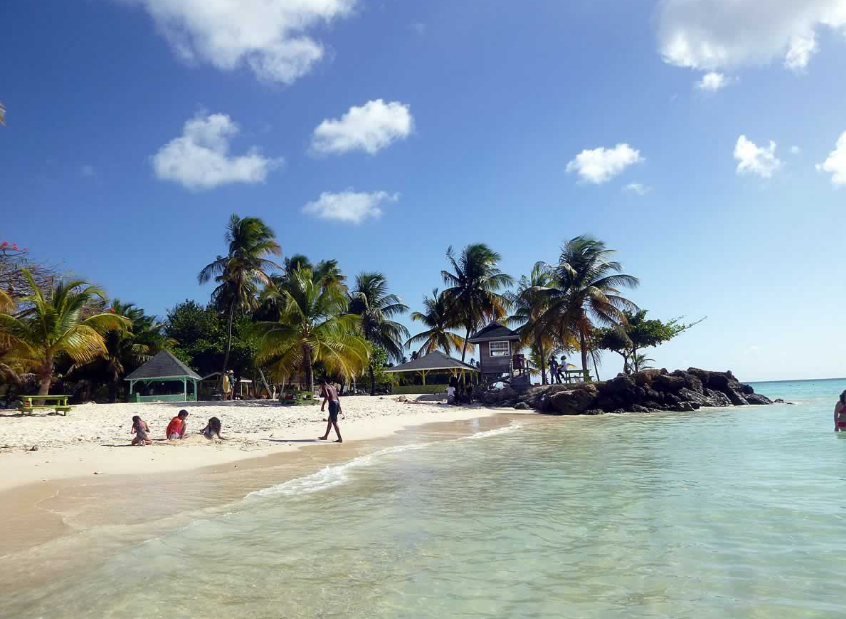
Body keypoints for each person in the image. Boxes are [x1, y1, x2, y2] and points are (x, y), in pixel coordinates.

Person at [318, 378, 343, 443]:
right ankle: (325, 436)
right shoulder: (333, 387)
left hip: (332, 404)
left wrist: (323, 405)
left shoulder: (324, 387)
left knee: (334, 422)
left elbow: (327, 396)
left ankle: (340, 438)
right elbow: (337, 397)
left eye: (320, 385)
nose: (320, 386)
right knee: (330, 420)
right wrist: (340, 408)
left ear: (321, 384)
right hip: (337, 403)